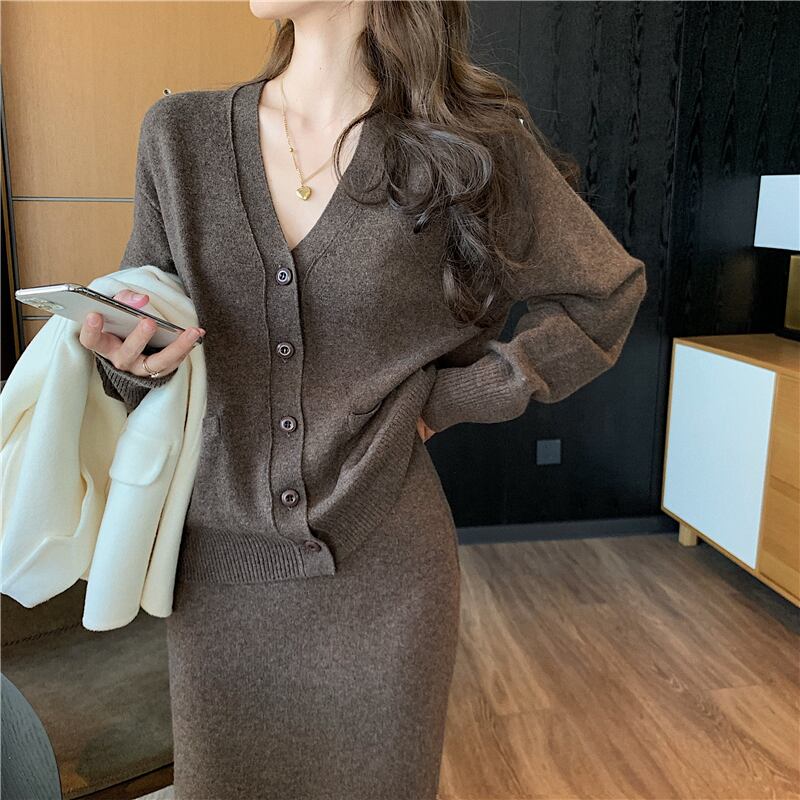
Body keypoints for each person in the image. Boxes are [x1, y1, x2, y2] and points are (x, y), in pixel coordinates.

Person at [78, 2, 647, 798]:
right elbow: (147, 348)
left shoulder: (468, 147)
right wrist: (132, 364)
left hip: (388, 576)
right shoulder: (180, 138)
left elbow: (605, 296)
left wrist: (452, 398)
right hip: (218, 578)